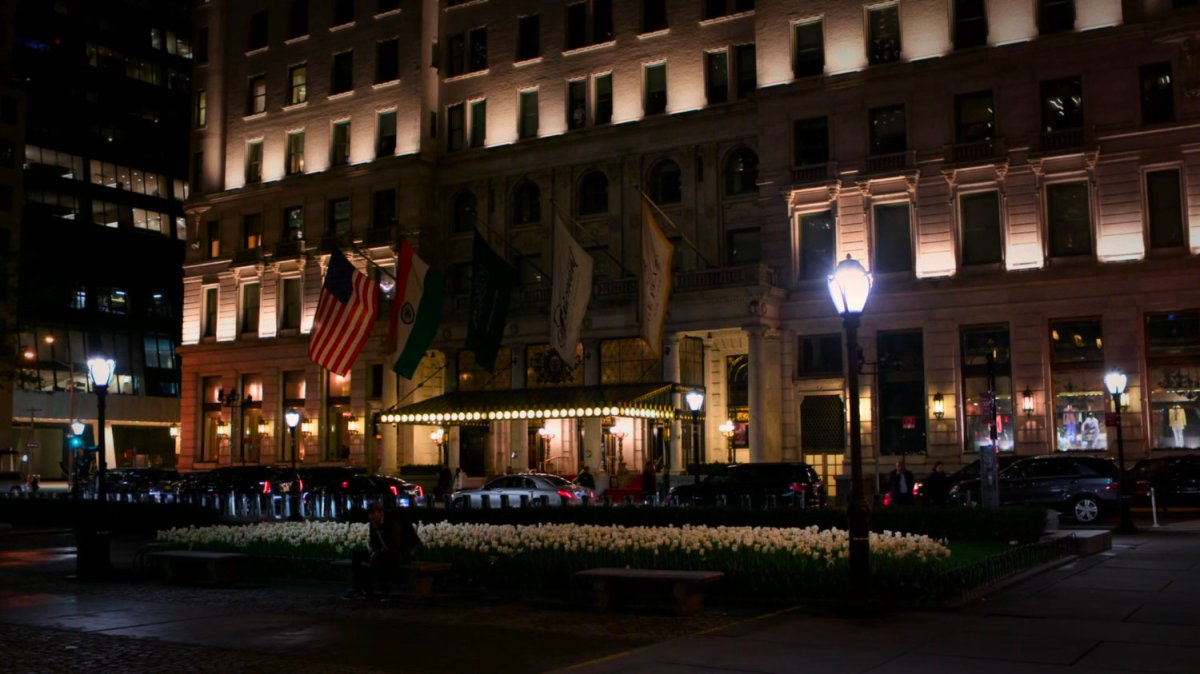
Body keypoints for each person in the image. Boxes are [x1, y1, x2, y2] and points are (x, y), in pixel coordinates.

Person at [348, 502, 421, 600]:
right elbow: (373, 543)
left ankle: (384, 592)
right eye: (369, 514)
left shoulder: (393, 521)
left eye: (373, 513)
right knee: (357, 555)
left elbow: (394, 545)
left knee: (382, 558)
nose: (371, 516)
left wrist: (378, 548)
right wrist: (373, 551)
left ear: (381, 512)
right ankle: (359, 589)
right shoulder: (373, 522)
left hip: (399, 553)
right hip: (381, 552)